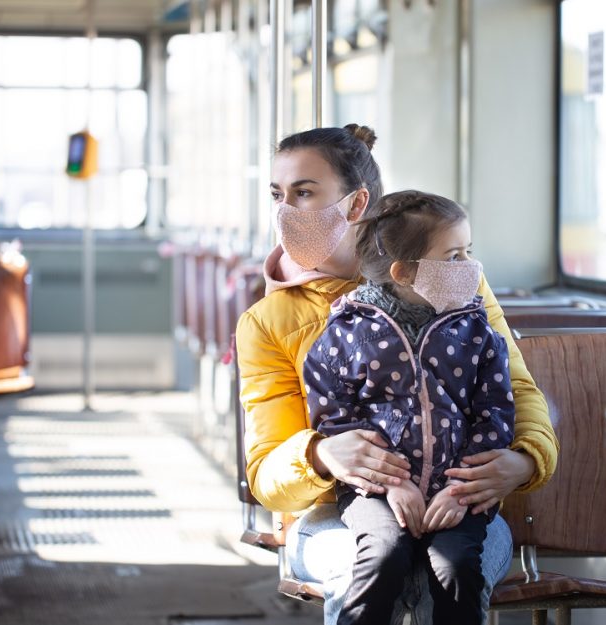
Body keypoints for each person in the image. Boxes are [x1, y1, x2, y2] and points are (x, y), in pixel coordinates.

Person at [236, 124, 558, 624]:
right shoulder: (267, 322)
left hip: (458, 499)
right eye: (278, 195)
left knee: (448, 570)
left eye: (303, 193)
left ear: (356, 203)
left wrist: (525, 460)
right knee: (366, 566)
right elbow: (265, 475)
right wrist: (320, 454)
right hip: (335, 511)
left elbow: (514, 389)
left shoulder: (454, 281)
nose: (284, 212)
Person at [304, 190, 514, 625]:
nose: (470, 268)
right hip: (374, 490)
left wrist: (462, 490)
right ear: (404, 273)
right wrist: (389, 485)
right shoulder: (347, 334)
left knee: (455, 566)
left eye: (468, 252)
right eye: (454, 257)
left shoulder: (477, 331)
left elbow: (494, 414)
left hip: (459, 492)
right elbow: (337, 418)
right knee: (382, 554)